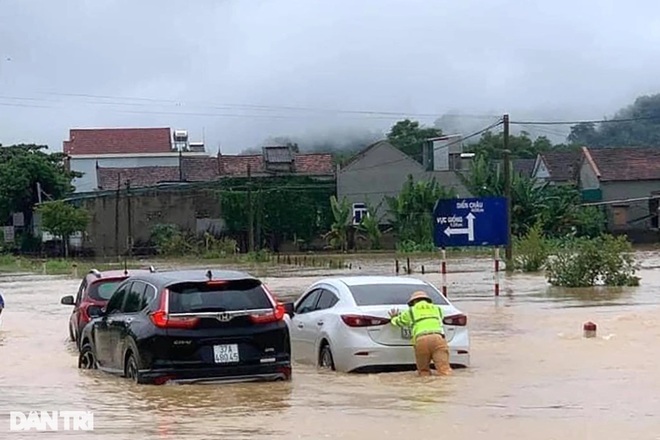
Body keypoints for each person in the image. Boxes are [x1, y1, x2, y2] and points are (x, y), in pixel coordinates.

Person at [389, 290, 452, 377]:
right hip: (438, 338)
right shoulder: (437, 309)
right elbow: (440, 320)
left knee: (424, 371)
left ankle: (425, 389)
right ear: (427, 300)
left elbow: (399, 322)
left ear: (413, 301)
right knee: (444, 370)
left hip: (421, 340)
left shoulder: (411, 311)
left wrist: (393, 318)